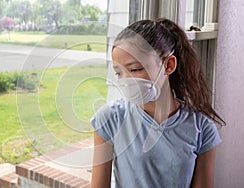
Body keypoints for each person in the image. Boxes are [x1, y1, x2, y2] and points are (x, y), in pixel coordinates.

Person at [90, 18, 225, 188]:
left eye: (135, 69)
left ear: (168, 65)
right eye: (119, 73)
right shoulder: (110, 119)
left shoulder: (202, 129)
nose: (125, 80)